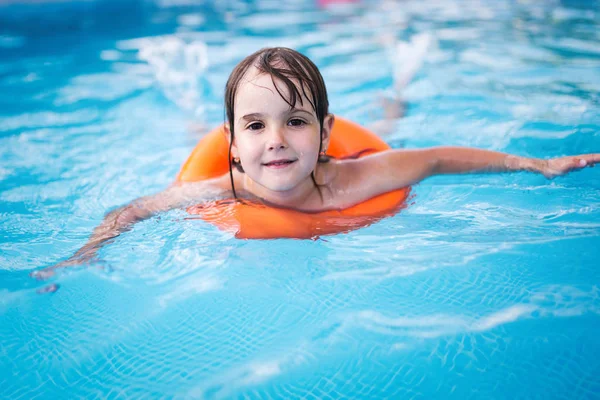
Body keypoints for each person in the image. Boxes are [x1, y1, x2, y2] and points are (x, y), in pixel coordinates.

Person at [32, 47, 599, 280]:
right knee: (191, 138)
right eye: (256, 127)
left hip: (362, 148)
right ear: (233, 143)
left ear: (324, 132)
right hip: (224, 161)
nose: (275, 140)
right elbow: (132, 210)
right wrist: (81, 258)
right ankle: (188, 106)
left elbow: (434, 160)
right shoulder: (226, 186)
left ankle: (398, 85)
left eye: (295, 121)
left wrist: (533, 164)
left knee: (391, 128)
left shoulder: (353, 178)